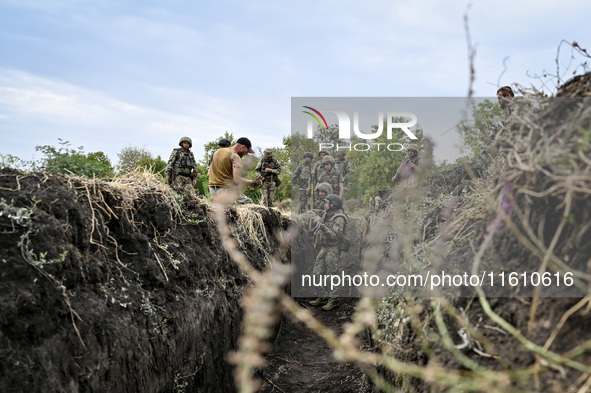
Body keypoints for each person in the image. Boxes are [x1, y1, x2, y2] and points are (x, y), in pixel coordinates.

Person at [308, 194, 348, 311]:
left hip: (333, 249)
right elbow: (311, 212)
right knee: (316, 273)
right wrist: (317, 219)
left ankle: (334, 300)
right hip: (324, 248)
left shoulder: (339, 218)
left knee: (332, 274)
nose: (324, 205)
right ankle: (323, 296)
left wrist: (323, 227)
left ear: (333, 205)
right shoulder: (327, 214)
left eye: (326, 203)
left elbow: (335, 236)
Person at [208, 137, 261, 204]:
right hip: (225, 190)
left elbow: (209, 174)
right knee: (250, 204)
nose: (246, 154)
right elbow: (236, 179)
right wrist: (253, 182)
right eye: (247, 151)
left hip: (212, 190)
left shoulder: (217, 152)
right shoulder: (235, 156)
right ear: (242, 147)